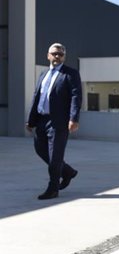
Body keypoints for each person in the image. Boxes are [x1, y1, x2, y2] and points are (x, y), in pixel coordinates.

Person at [26, 43, 82, 200]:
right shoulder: (43, 74)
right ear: (48, 55)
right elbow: (37, 97)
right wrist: (31, 121)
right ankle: (67, 171)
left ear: (64, 56)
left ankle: (53, 188)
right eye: (54, 53)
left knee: (55, 156)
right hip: (42, 120)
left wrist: (73, 118)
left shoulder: (70, 74)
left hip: (59, 122)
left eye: (61, 54)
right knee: (39, 149)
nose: (57, 56)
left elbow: (76, 97)